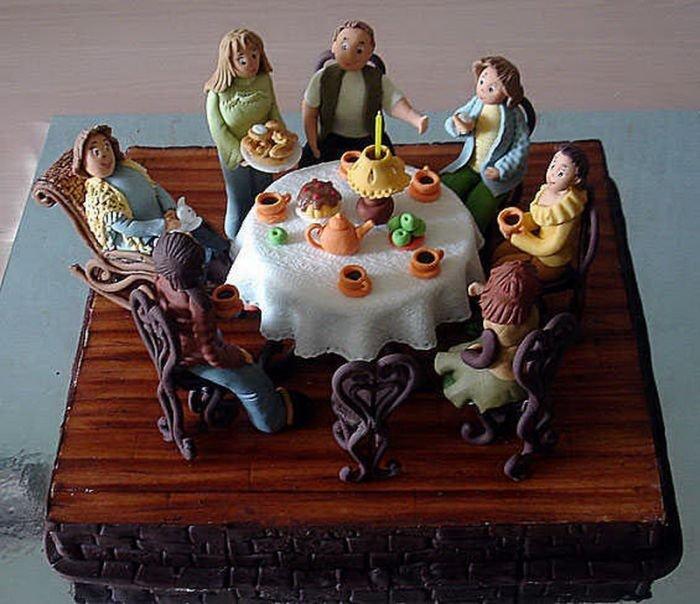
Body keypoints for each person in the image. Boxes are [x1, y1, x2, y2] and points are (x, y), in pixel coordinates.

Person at [152, 232, 309, 433]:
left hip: (175, 347)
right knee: (253, 382)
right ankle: (272, 420)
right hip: (195, 358)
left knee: (248, 365)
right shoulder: (198, 303)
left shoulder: (161, 279)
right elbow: (210, 353)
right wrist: (238, 357)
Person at [73, 124, 231, 282]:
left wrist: (169, 209)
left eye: (106, 146)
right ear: (83, 163)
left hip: (166, 219)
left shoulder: (128, 168)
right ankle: (209, 272)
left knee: (197, 226)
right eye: (95, 151)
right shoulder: (101, 194)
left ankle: (224, 252)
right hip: (144, 238)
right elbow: (127, 227)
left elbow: (155, 189)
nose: (104, 154)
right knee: (180, 249)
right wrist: (162, 226)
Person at [299, 19, 428, 167]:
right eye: (344, 46)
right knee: (309, 167)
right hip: (330, 137)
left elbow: (394, 103)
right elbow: (310, 112)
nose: (351, 55)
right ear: (334, 46)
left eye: (359, 50)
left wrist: (415, 118)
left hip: (369, 139)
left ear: (370, 52)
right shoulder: (322, 77)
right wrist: (313, 143)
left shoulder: (376, 78)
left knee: (385, 170)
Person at [204, 29, 285, 239]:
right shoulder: (218, 92)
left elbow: (273, 110)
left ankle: (262, 235)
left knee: (264, 193)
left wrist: (281, 135)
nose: (250, 63)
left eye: (254, 55)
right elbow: (218, 129)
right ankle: (234, 243)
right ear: (228, 61)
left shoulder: (264, 80)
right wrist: (238, 153)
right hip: (235, 155)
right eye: (241, 59)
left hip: (264, 150)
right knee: (239, 198)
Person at [434, 261, 540, 414]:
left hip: (501, 372)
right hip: (524, 360)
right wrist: (483, 290)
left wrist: (469, 353)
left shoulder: (496, 328)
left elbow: (483, 361)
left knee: (461, 365)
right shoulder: (531, 310)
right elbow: (510, 300)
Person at [441, 56, 531, 234]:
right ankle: (440, 226)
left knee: (479, 207)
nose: (482, 89)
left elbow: (521, 147)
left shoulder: (514, 116)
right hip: (470, 164)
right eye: (481, 82)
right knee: (445, 190)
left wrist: (501, 169)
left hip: (494, 174)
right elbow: (459, 116)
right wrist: (460, 124)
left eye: (491, 88)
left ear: (507, 92)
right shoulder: (477, 103)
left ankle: (470, 238)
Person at [493, 144, 589, 282]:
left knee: (505, 269)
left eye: (560, 173)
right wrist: (518, 223)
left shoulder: (568, 211)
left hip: (550, 261)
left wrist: (520, 239)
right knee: (500, 253)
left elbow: (551, 247)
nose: (552, 174)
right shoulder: (546, 191)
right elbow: (537, 218)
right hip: (536, 241)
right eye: (552, 166)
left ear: (576, 179)